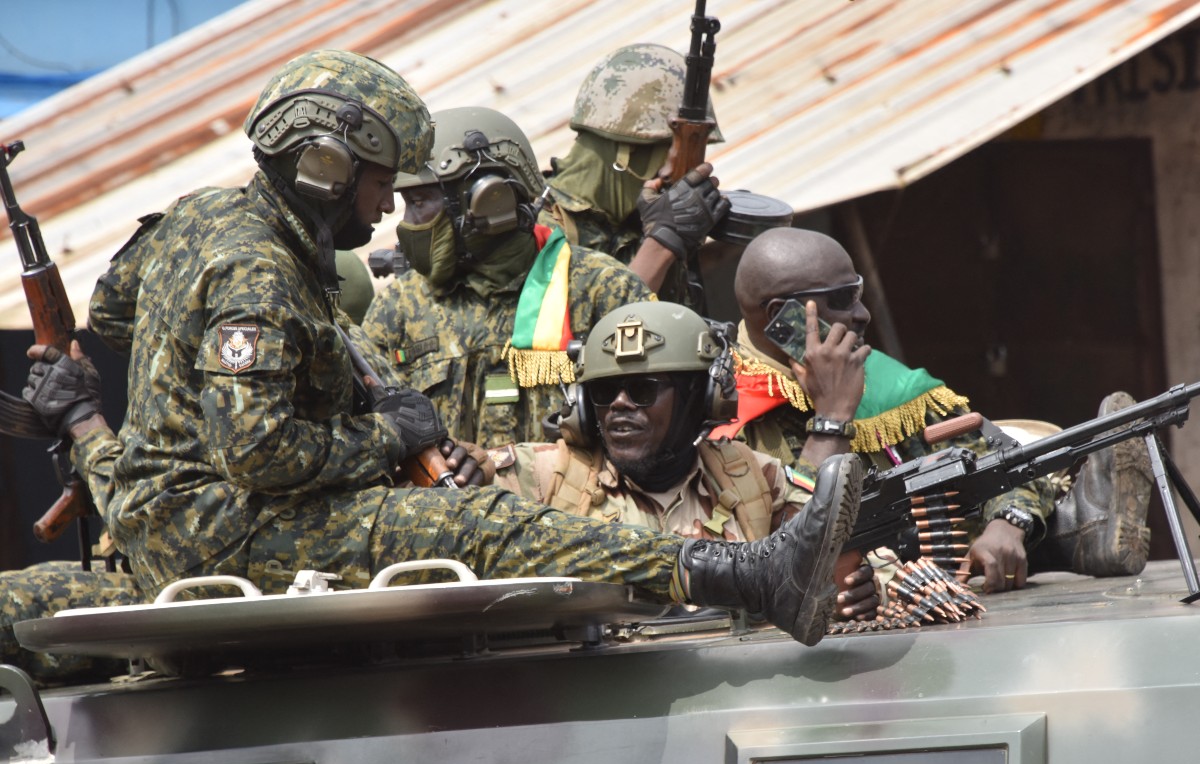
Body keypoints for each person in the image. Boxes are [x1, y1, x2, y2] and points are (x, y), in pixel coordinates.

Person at [7, 50, 866, 684]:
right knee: (484, 529)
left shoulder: (201, 218)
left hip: (172, 512)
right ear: (324, 168)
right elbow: (258, 452)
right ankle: (750, 577)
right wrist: (389, 430)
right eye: (382, 183)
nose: (388, 209)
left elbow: (115, 311)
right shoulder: (259, 272)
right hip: (218, 527)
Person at [717, 226, 1154, 593]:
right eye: (842, 299)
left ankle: (1077, 534)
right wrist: (831, 418)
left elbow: (999, 457)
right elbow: (786, 549)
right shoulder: (724, 409)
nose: (863, 313)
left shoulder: (878, 378)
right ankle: (1076, 532)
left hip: (946, 582)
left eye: (859, 293)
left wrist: (1008, 522)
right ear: (781, 314)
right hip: (846, 611)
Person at [491, 300, 879, 622]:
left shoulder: (752, 480)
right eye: (604, 392)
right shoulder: (540, 477)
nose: (619, 405)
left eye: (644, 390)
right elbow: (445, 506)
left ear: (702, 397)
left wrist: (860, 591)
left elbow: (844, 556)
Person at [360, 106, 654, 449]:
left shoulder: (603, 290)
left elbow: (655, 424)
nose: (409, 222)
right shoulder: (397, 310)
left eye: (421, 202)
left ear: (489, 200)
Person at [539, 43, 729, 307]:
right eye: (673, 154)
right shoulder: (534, 230)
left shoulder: (644, 224)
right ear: (625, 153)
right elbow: (600, 340)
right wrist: (663, 242)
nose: (682, 174)